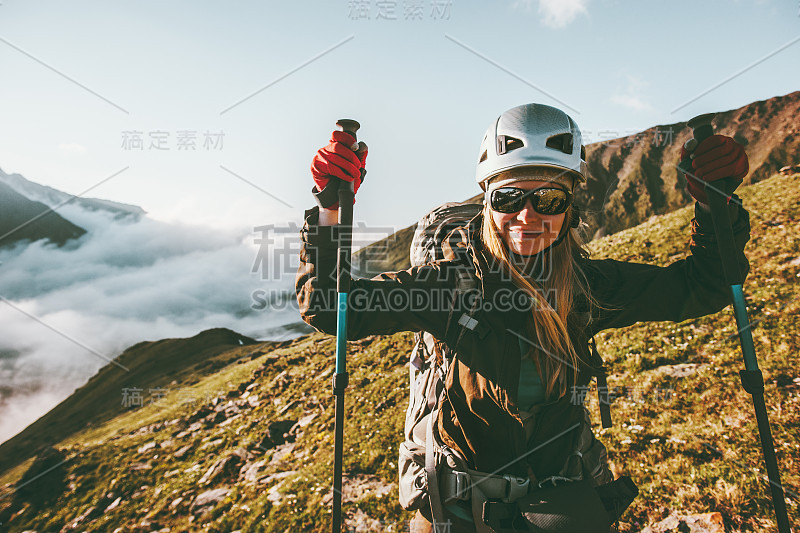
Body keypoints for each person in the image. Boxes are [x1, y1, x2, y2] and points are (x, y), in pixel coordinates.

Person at [296, 103, 751, 532]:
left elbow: (702, 287)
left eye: (549, 198)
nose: (526, 215)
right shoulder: (447, 287)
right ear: (487, 202)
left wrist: (715, 206)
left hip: (559, 500)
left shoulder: (587, 288)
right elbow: (333, 308)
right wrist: (329, 208)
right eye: (508, 197)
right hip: (457, 509)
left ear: (570, 204)